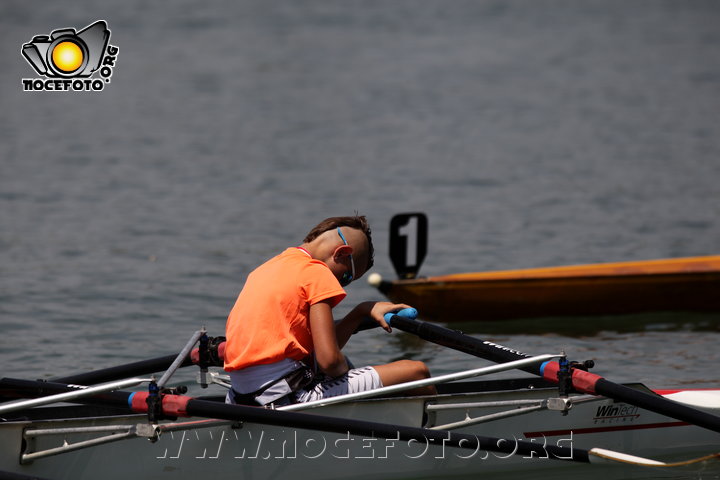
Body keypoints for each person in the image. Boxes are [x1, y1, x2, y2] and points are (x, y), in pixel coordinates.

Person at [224, 215, 435, 406]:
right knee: (416, 371)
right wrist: (345, 375)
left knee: (347, 368)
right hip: (288, 399)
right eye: (346, 278)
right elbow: (329, 361)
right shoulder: (316, 273)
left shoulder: (267, 268)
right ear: (342, 254)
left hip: (239, 398)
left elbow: (316, 351)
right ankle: (436, 438)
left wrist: (360, 312)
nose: (341, 287)